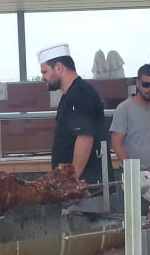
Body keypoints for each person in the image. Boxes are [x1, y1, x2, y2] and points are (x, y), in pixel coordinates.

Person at [38, 43, 112, 213]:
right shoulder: (70, 95)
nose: (42, 77)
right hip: (76, 190)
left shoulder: (81, 94)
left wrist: (72, 184)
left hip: (86, 190)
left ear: (58, 68)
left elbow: (85, 138)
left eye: (44, 72)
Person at [109, 63, 150, 212]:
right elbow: (116, 143)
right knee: (136, 223)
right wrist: (135, 174)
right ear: (138, 83)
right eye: (146, 84)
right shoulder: (124, 109)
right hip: (135, 179)